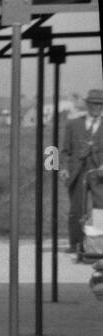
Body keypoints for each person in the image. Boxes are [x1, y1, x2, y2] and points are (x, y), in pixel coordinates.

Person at [63, 89, 103, 261]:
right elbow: (64, 151)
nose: (96, 107)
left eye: (100, 104)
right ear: (87, 105)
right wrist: (62, 169)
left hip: (99, 175)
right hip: (77, 173)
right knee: (76, 210)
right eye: (93, 104)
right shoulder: (73, 124)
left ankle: (97, 244)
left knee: (99, 209)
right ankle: (75, 243)